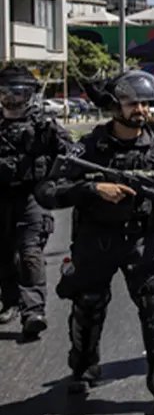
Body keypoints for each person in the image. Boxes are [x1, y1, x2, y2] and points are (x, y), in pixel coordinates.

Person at [36, 71, 154, 407]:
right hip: (95, 240)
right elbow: (48, 191)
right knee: (88, 302)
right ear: (115, 106)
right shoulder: (87, 148)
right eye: (133, 103)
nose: (140, 110)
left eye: (146, 104)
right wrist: (92, 189)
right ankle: (83, 366)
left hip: (141, 240)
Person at [0, 65, 73, 339]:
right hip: (1, 196)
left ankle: (33, 311)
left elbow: (71, 153)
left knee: (29, 253)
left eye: (19, 92)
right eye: (7, 92)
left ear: (29, 94)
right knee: (4, 254)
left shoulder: (44, 125)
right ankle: (10, 301)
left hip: (32, 195)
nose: (12, 98)